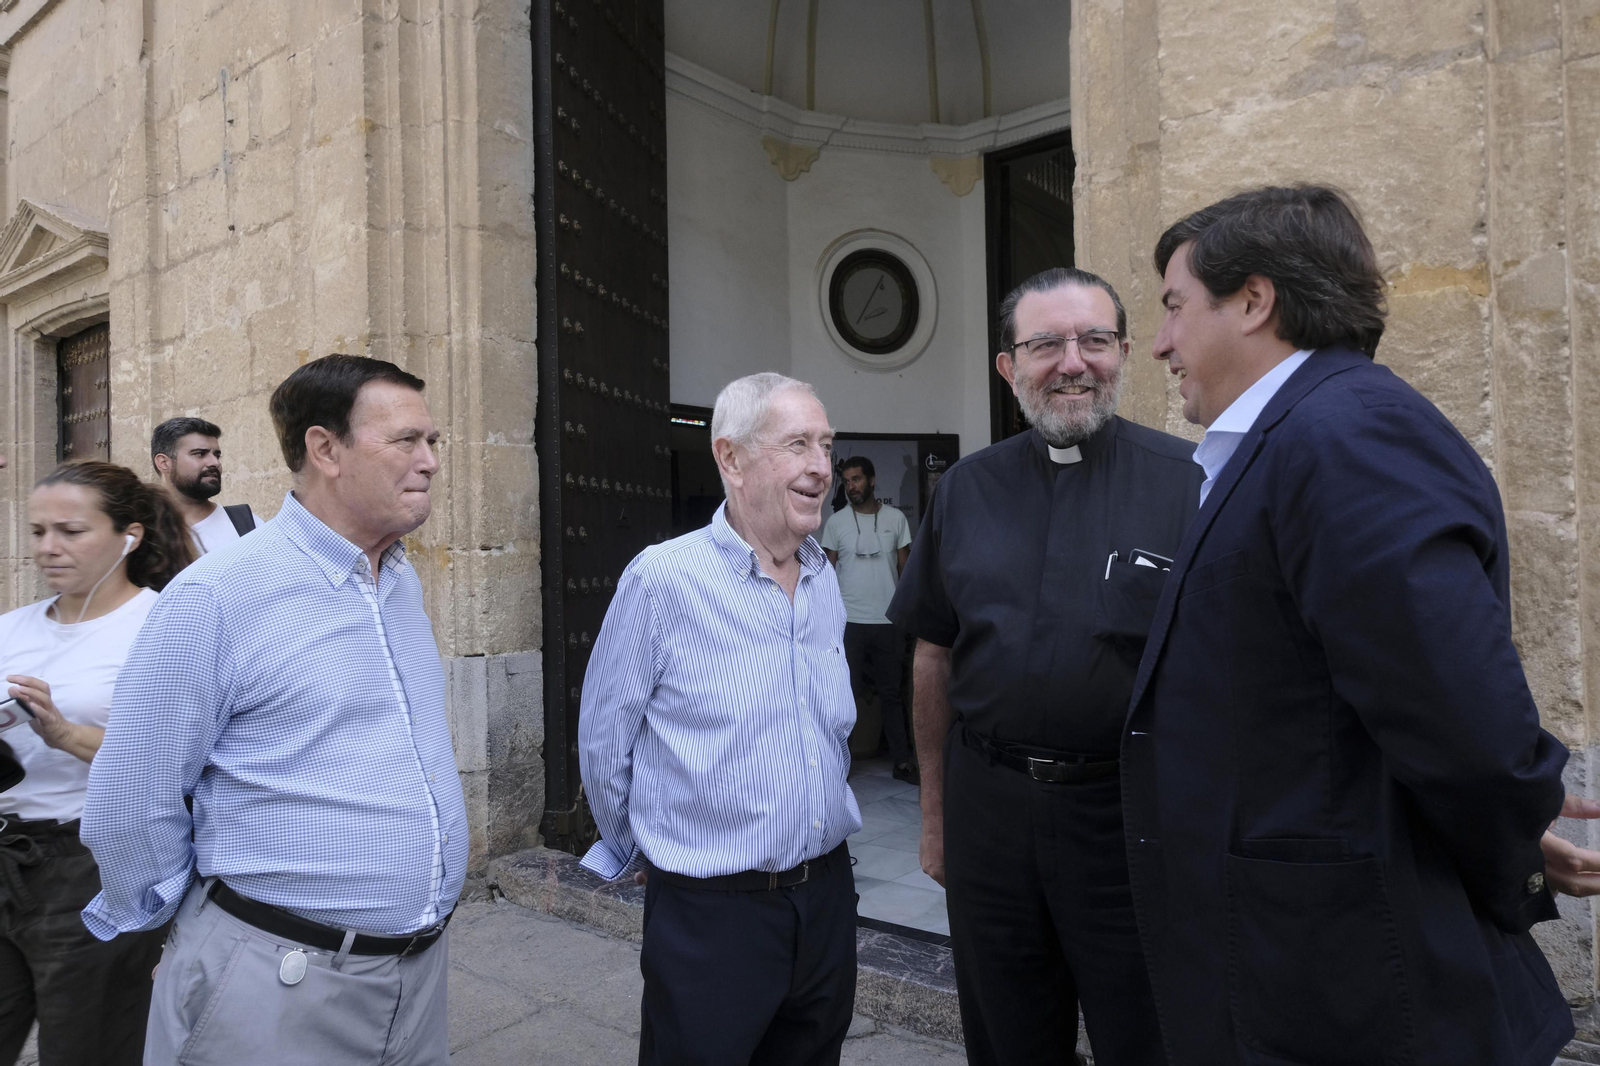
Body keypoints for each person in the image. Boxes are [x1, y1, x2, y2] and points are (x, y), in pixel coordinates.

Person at [1125, 184, 1573, 1065]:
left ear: (1254, 301)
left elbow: (1462, 718)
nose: (1161, 343)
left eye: (1175, 308)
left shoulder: (1347, 435)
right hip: (1296, 970)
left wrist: (1516, 849)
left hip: (1356, 988)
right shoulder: (1295, 437)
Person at [80, 355, 467, 1065]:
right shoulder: (218, 596)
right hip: (277, 991)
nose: (431, 461)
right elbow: (129, 803)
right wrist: (189, 936)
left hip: (417, 980)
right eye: (407, 441)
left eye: (432, 441)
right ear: (325, 449)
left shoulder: (399, 582)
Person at [887, 267, 1201, 1065]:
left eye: (1094, 340)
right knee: (1007, 1038)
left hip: (1128, 822)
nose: (1073, 362)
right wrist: (935, 814)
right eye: (1046, 344)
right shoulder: (965, 490)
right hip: (989, 817)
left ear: (1125, 352)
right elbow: (933, 650)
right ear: (1008, 367)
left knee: (1150, 1037)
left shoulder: (1191, 484)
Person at [579, 372, 862, 1066]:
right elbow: (604, 740)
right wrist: (646, 848)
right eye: (797, 445)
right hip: (712, 917)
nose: (822, 467)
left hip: (825, 900)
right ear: (730, 458)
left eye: (826, 445)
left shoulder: (825, 580)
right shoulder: (663, 580)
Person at [0, 461, 196, 1065]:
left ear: (129, 536)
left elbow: (180, 763)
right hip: (9, 854)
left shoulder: (164, 627)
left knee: (88, 1047)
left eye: (70, 531)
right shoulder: (12, 627)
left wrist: (62, 733)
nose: (48, 548)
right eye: (37, 532)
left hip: (95, 866)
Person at [820, 455, 915, 782]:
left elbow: (905, 570)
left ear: (872, 481)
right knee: (845, 695)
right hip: (850, 624)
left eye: (857, 479)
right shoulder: (836, 524)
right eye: (846, 481)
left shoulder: (895, 518)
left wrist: (905, 615)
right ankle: (839, 766)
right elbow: (825, 573)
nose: (851, 487)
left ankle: (902, 762)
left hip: (889, 622)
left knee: (892, 694)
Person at [150, 416, 257, 553]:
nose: (215, 463)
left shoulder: (247, 524)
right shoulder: (139, 531)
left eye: (217, 455)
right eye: (200, 454)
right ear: (164, 463)